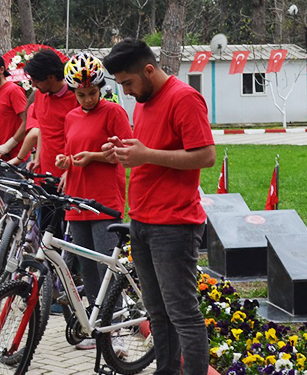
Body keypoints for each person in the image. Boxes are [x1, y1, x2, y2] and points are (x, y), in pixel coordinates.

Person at [101, 39, 215, 375]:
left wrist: (146, 155)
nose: (126, 92)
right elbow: (151, 149)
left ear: (149, 70)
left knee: (182, 313)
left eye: (128, 83)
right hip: (142, 221)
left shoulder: (184, 98)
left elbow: (206, 156)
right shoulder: (145, 100)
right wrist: (123, 151)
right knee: (157, 313)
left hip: (174, 225)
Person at [53, 53, 132, 350]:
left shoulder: (113, 113)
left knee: (106, 268)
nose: (86, 99)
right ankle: (100, 329)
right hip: (76, 200)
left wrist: (95, 157)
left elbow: (125, 150)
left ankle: (119, 332)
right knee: (87, 269)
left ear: (101, 88)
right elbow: (69, 151)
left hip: (104, 200)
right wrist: (65, 161)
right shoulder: (71, 116)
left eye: (92, 93)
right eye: (80, 94)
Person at [24, 49, 78, 179]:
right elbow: (43, 128)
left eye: (36, 80)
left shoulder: (76, 98)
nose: (33, 85)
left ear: (51, 77)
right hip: (45, 170)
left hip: (68, 173)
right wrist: (38, 159)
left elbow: (80, 140)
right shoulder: (39, 95)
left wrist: (71, 169)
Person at [0, 54, 28, 162]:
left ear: (1, 70)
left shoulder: (13, 90)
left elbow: (27, 121)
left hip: (17, 158)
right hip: (1, 157)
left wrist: (9, 145)